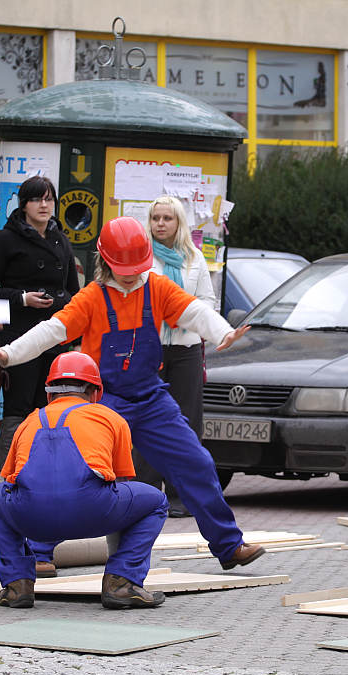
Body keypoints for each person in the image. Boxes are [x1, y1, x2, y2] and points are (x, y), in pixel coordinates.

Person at [0, 216, 266, 572]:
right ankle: (37, 553)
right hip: (104, 401)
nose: (129, 274)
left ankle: (228, 546)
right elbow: (52, 330)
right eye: (121, 267)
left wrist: (223, 333)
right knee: (78, 469)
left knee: (197, 463)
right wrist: (9, 354)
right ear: (105, 262)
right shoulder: (92, 297)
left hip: (151, 398)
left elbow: (194, 312)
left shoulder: (157, 288)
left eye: (135, 267)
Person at [0, 351, 168, 609]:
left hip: (34, 521)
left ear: (49, 394)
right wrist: (119, 565)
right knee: (156, 501)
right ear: (95, 392)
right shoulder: (111, 419)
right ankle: (122, 583)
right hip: (94, 515)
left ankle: (16, 584)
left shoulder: (27, 423)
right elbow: (120, 482)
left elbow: (9, 488)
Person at [0, 174, 80, 578]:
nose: (44, 206)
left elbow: (74, 291)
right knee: (18, 408)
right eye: (37, 200)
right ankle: (13, 475)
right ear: (23, 204)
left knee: (47, 407)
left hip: (52, 338)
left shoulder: (60, 240)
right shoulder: (5, 240)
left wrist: (57, 302)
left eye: (49, 200)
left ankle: (44, 468)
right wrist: (22, 298)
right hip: (18, 338)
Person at [132, 195, 217, 519]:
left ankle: (183, 495)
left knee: (186, 423)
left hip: (186, 348)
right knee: (146, 420)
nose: (161, 224)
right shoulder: (141, 258)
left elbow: (207, 300)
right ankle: (147, 493)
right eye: (156, 218)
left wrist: (188, 315)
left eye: (167, 218)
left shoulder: (194, 258)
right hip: (150, 348)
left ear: (179, 222)